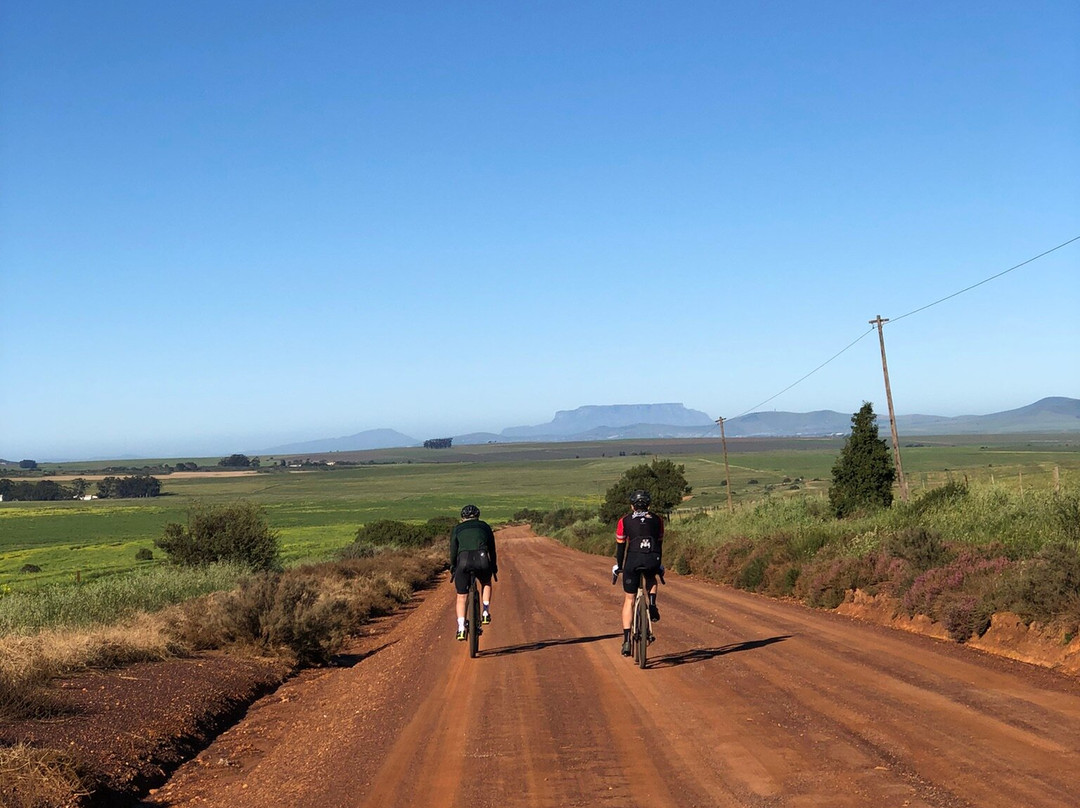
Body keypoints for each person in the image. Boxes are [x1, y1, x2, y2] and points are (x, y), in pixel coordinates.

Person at [612, 489, 663, 657]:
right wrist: (659, 564)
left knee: (629, 599)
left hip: (632, 561)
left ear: (632, 506)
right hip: (652, 559)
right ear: (648, 504)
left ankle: (626, 640)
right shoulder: (658, 520)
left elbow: (620, 547)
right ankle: (653, 604)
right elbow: (659, 545)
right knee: (652, 578)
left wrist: (619, 565)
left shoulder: (624, 521)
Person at [449, 504, 497, 641]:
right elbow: (492, 549)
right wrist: (493, 566)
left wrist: (453, 566)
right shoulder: (485, 526)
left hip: (463, 561)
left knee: (461, 596)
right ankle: (486, 612)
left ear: (462, 517)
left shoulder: (457, 528)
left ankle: (461, 628)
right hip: (482, 560)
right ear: (477, 516)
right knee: (486, 582)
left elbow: (453, 550)